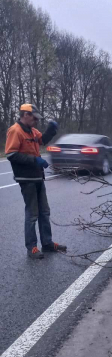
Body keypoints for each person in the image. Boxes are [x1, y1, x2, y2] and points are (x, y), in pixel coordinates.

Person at [5, 104, 67, 259]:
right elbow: (11, 155)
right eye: (34, 117)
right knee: (32, 214)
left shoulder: (32, 131)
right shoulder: (15, 130)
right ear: (25, 114)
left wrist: (51, 130)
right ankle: (31, 247)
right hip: (26, 179)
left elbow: (42, 140)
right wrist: (35, 160)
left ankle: (47, 243)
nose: (36, 121)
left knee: (44, 212)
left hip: (38, 177)